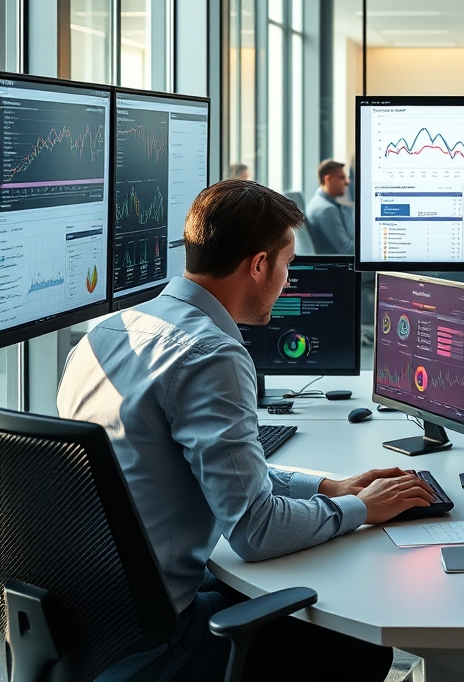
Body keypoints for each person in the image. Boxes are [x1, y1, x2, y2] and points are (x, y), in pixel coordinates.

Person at [57, 180, 434, 682]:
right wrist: (362, 509)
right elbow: (255, 531)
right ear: (258, 266)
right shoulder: (211, 353)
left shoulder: (106, 333)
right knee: (361, 647)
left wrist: (327, 487)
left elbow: (212, 466)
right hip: (157, 644)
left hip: (85, 622)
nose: (287, 280)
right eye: (287, 265)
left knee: (258, 589)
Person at [305, 158, 355, 255]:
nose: (347, 182)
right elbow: (348, 250)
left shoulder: (318, 201)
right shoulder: (326, 210)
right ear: (328, 180)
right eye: (342, 178)